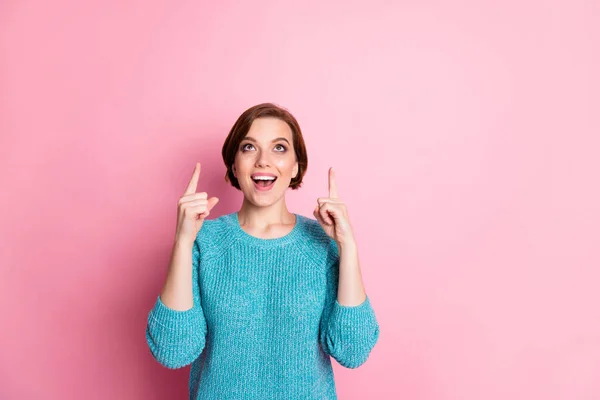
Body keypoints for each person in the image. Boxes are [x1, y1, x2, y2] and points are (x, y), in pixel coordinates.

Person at [145, 103, 380, 399]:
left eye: (279, 148)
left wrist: (347, 245)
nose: (263, 161)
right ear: (234, 165)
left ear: (296, 166)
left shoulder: (324, 244)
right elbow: (172, 351)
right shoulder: (203, 242)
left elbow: (353, 350)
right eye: (249, 148)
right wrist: (183, 241)